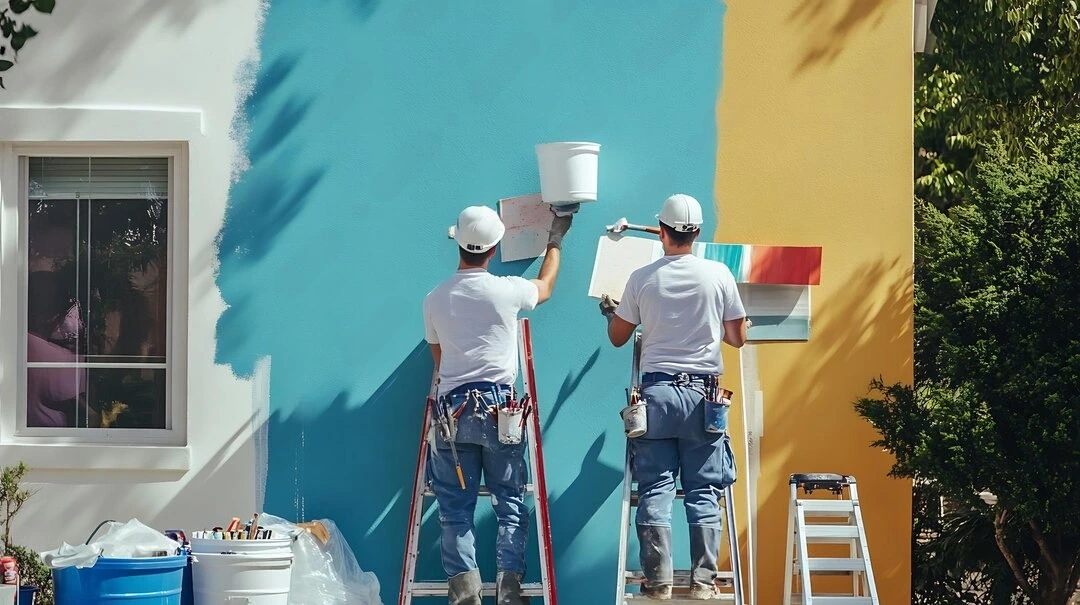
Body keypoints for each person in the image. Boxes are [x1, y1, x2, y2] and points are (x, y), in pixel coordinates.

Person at [599, 194, 749, 600]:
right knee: (704, 490)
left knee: (655, 489)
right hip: (705, 398)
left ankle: (659, 581)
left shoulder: (642, 278)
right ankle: (704, 582)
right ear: (696, 233)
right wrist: (740, 321)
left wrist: (611, 312)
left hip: (658, 397)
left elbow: (618, 338)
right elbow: (737, 338)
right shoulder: (718, 275)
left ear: (662, 231)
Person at [423, 204, 574, 605]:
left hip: (453, 412)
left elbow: (439, 359)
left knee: (455, 507)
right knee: (509, 500)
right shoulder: (507, 290)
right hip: (499, 411)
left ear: (458, 244)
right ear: (493, 250)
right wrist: (555, 239)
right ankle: (509, 589)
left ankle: (465, 594)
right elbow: (545, 287)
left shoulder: (434, 298)